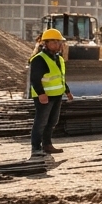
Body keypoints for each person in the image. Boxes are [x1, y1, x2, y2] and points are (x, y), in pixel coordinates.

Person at [29, 29, 73, 158]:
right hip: (44, 96)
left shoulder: (58, 58)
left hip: (56, 95)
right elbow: (35, 79)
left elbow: (60, 77)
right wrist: (41, 94)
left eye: (59, 42)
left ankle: (47, 145)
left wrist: (67, 91)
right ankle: (36, 148)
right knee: (41, 122)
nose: (59, 44)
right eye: (56, 42)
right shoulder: (39, 59)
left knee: (52, 121)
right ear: (46, 43)